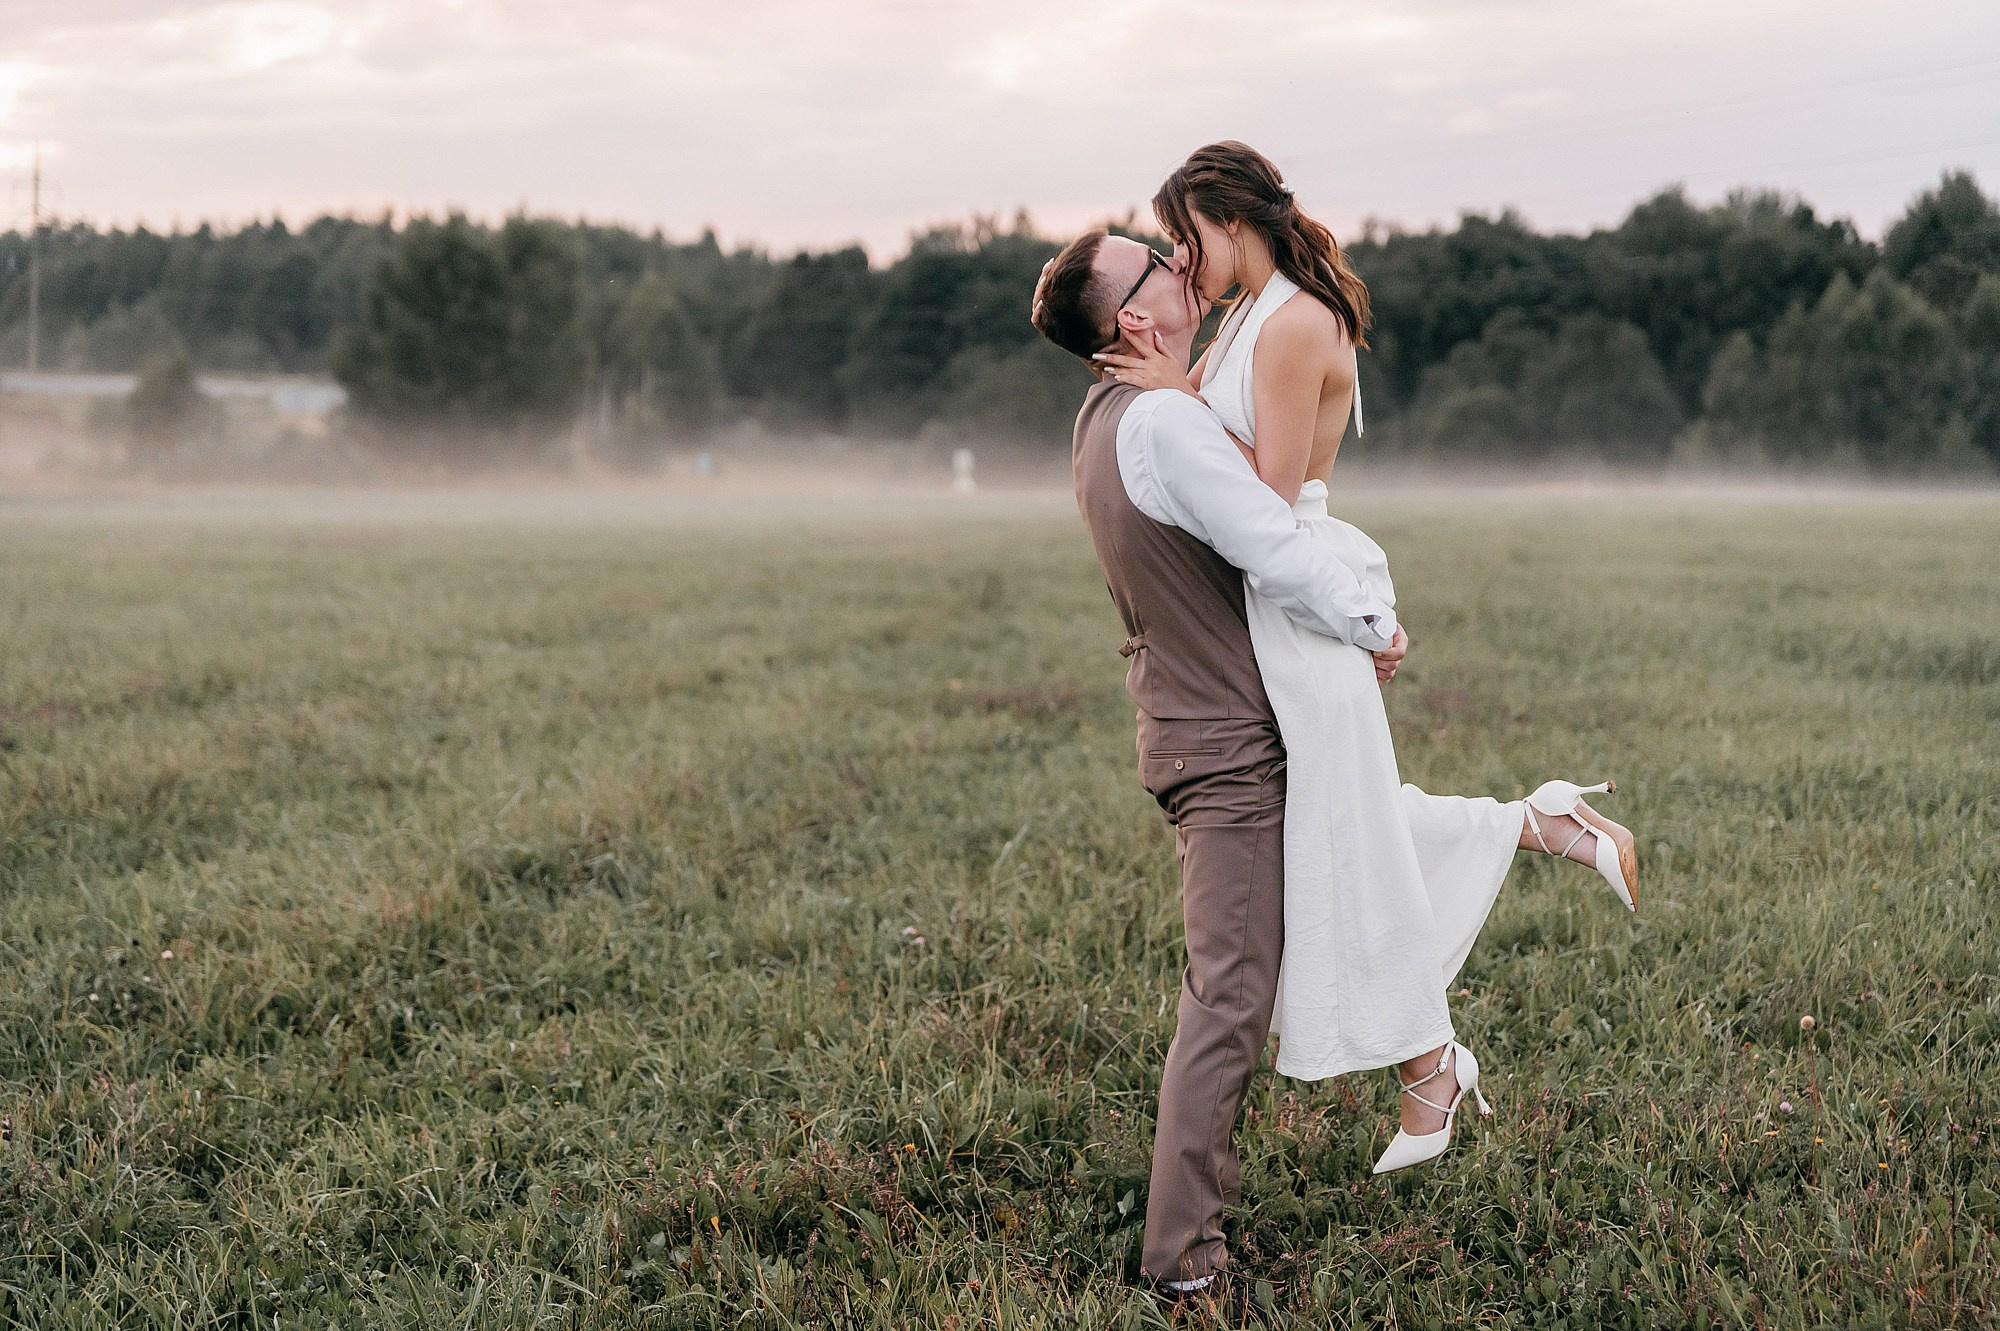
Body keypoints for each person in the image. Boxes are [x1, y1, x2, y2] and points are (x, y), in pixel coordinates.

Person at [1090, 139, 1639, 1179]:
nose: (1176, 260)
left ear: (1226, 218)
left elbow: (1258, 499)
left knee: (1339, 840)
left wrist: (1168, 390)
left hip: (1301, 608)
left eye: (1181, 236)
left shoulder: (1296, 321)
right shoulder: (1249, 315)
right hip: (1273, 605)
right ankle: (1537, 832)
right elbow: (1203, 444)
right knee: (1339, 831)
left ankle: (1431, 1063)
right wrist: (1172, 384)